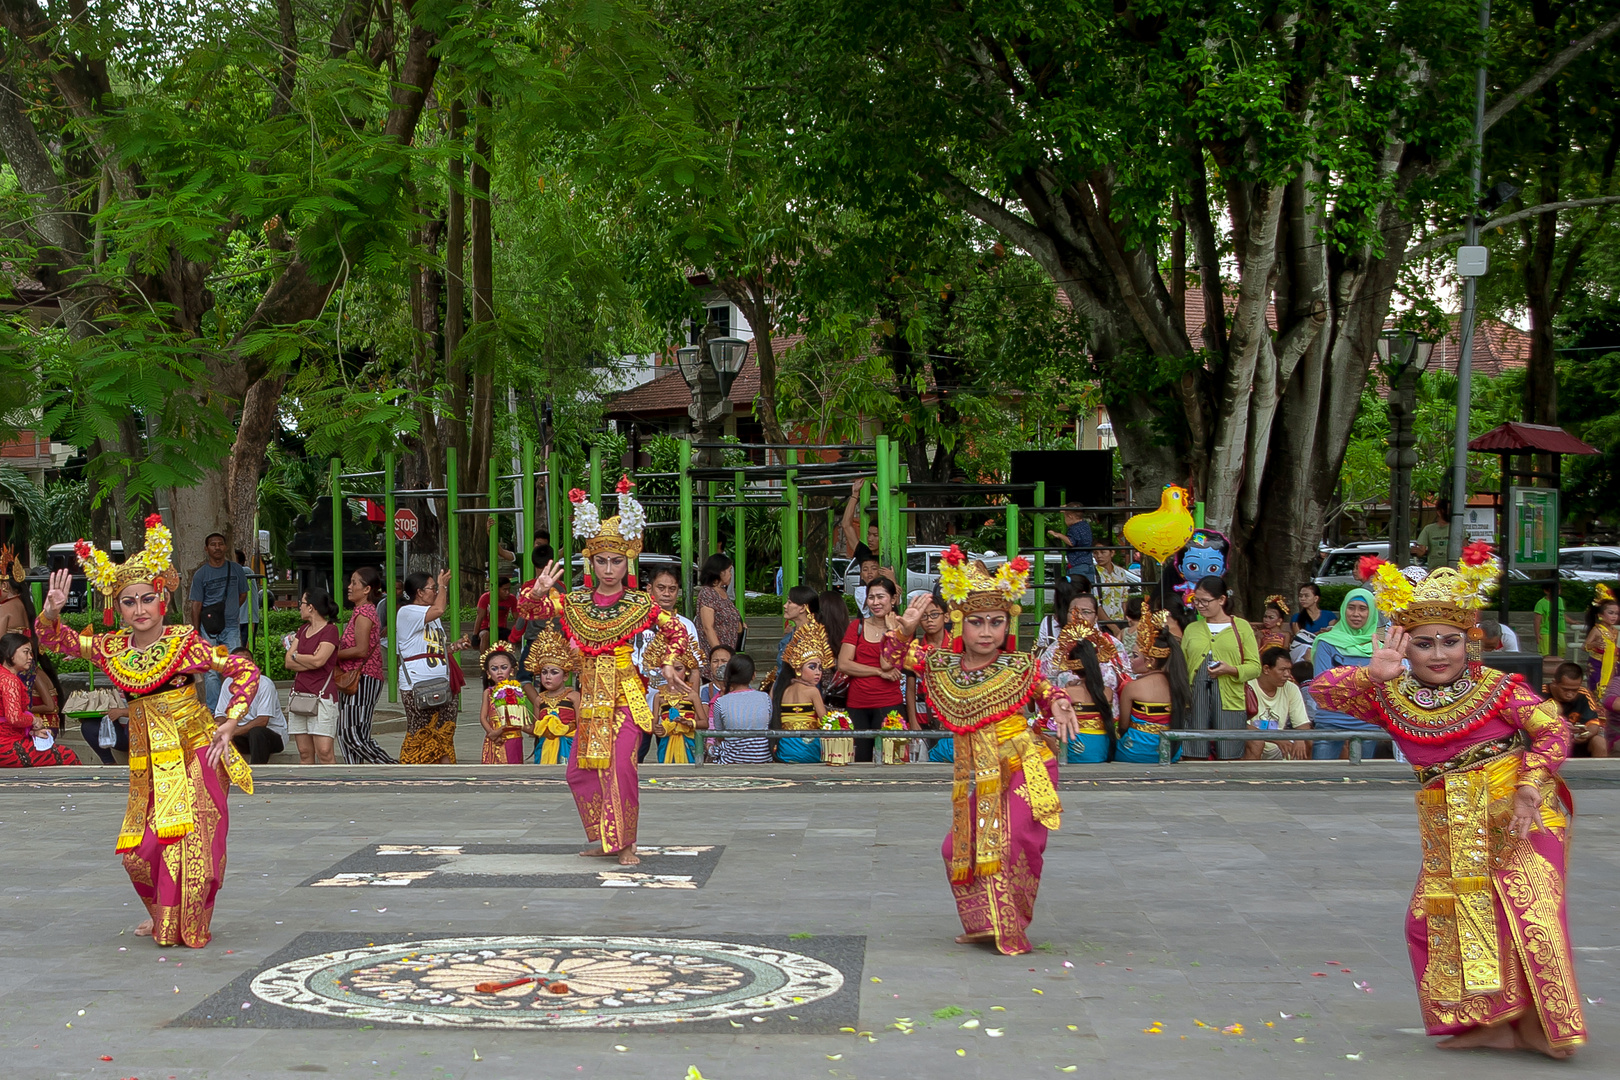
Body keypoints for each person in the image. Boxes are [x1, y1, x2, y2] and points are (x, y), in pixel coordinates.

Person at [1312, 550, 1585, 1057]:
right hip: (1451, 818)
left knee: (1529, 911)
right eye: (1424, 643)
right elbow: (1324, 692)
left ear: (1469, 641)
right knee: (1434, 921)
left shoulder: (1499, 688)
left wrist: (1530, 782)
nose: (1439, 653)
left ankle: (1544, 1028)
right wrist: (1373, 674)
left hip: (1520, 807)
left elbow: (1553, 728)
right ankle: (1490, 1021)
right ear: (1404, 647)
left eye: (1450, 641)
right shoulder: (1388, 691)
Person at [35, 516, 257, 947]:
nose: (139, 609)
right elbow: (55, 640)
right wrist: (51, 611)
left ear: (163, 600)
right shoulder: (112, 647)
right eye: (128, 602)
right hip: (149, 764)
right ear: (118, 608)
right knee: (139, 853)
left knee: (188, 845)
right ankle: (162, 914)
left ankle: (184, 924)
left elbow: (243, 668)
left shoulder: (183, 642)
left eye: (147, 599)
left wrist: (230, 721)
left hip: (195, 753)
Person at [883, 548, 1079, 956]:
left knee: (1010, 843)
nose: (986, 631)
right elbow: (890, 660)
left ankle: (1012, 926)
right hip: (987, 774)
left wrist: (1058, 701)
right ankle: (984, 924)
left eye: (996, 621)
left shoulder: (1020, 666)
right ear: (960, 622)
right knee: (956, 849)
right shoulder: (942, 664)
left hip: (1026, 764)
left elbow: (1046, 692)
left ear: (1008, 623)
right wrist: (903, 631)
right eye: (976, 622)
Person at [516, 479, 689, 865]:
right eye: (601, 561)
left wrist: (667, 660)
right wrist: (538, 591)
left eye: (616, 561)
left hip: (625, 697)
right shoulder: (575, 602)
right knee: (578, 771)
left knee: (621, 768)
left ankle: (626, 842)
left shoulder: (640, 603)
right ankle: (604, 836)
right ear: (590, 562)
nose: (608, 569)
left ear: (627, 562)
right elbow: (528, 612)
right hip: (591, 696)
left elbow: (676, 629)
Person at [1179, 576, 1261, 760]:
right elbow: (1182, 666)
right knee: (1193, 752)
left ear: (1222, 600)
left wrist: (1231, 670)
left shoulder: (1241, 627)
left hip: (1230, 699)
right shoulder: (1192, 629)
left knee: (1229, 754)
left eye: (1205, 601)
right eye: (1196, 600)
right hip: (1194, 700)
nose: (1199, 605)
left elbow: (1255, 667)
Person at [397, 569, 463, 765]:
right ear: (419, 592)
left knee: (444, 732)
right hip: (418, 683)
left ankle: (445, 773)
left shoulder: (432, 617)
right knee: (421, 732)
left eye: (436, 588)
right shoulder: (407, 612)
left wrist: (454, 647)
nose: (435, 592)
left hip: (441, 681)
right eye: (432, 588)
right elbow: (440, 609)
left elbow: (431, 648)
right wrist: (443, 585)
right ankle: (415, 771)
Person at [1114, 603, 1191, 764]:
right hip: (1171, 752)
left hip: (1133, 752)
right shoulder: (1179, 682)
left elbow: (1123, 726)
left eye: (1135, 655)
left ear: (1150, 661)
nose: (1130, 660)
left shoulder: (1132, 687)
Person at [1309, 588, 1380, 760]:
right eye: (1351, 607)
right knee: (1321, 779)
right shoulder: (1326, 642)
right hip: (1331, 719)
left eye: (1363, 609)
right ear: (1343, 610)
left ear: (1371, 612)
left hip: (1368, 722)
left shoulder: (1379, 646)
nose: (1356, 614)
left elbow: (1381, 687)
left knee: (1364, 781)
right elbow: (1323, 684)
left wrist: (1342, 677)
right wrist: (1365, 679)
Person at [333, 567, 395, 764]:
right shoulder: (359, 612)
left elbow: (361, 650)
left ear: (367, 589)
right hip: (355, 678)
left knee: (352, 733)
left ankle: (389, 766)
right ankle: (355, 772)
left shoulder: (365, 612)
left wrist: (330, 655)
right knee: (346, 733)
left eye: (354, 583)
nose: (349, 587)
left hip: (364, 678)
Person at [838, 576, 903, 761]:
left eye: (881, 597)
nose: (875, 602)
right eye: (871, 597)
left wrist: (890, 631)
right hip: (857, 703)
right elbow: (843, 664)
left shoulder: (902, 629)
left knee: (890, 760)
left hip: (889, 702)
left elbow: (887, 663)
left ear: (893, 599)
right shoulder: (856, 626)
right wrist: (878, 672)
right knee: (859, 759)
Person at [0, 632, 80, 766]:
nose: (30, 657)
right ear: (10, 653)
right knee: (68, 755)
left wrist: (32, 731)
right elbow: (14, 718)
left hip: (8, 740)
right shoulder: (9, 680)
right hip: (6, 745)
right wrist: (34, 720)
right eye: (26, 652)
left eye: (31, 653)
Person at [188, 531, 249, 707]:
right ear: (207, 549)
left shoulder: (236, 569)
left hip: (231, 626)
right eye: (213, 544)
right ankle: (214, 710)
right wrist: (197, 632)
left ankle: (235, 706)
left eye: (220, 544)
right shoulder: (201, 574)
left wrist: (229, 611)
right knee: (212, 671)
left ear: (226, 547)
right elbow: (196, 605)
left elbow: (243, 594)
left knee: (234, 666)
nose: (217, 547)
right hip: (209, 628)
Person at [283, 589, 341, 765]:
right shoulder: (302, 630)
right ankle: (306, 786)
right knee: (304, 752)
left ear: (311, 607)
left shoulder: (330, 631)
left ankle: (332, 786)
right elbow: (288, 662)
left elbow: (319, 661)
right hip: (300, 695)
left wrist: (297, 656)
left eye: (301, 603)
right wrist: (303, 659)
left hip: (322, 696)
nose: (299, 607)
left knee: (324, 751)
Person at [1052, 620, 1117, 763]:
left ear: (1073, 668)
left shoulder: (1067, 692)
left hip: (1077, 751)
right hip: (1103, 749)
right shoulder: (1107, 692)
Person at [905, 592, 957, 763]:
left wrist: (950, 715)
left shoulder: (956, 649)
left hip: (950, 716)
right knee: (923, 763)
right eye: (924, 616)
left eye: (935, 614)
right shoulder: (915, 649)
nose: (929, 620)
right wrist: (912, 721)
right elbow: (910, 688)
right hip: (922, 713)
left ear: (946, 617)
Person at [218, 645, 286, 765]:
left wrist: (234, 731)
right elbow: (220, 715)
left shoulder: (265, 684)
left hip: (271, 736)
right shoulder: (227, 684)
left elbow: (262, 721)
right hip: (241, 735)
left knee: (257, 732)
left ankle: (258, 774)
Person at [644, 635, 706, 764]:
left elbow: (705, 723)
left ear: (687, 671)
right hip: (666, 743)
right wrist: (659, 729)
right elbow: (653, 725)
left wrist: (690, 723)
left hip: (689, 741)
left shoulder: (692, 695)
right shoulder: (659, 696)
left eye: (678, 669)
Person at [778, 622, 833, 763]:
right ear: (798, 669)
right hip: (807, 751)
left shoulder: (783, 689)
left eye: (820, 668)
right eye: (812, 667)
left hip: (784, 750)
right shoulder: (813, 691)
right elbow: (825, 721)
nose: (817, 673)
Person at [1244, 646, 1310, 760]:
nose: (1287, 674)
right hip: (1253, 742)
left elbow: (1302, 723)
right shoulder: (1247, 686)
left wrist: (1300, 739)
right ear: (1266, 669)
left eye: (1289, 670)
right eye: (1282, 670)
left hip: (1279, 745)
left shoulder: (1291, 688)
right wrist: (1276, 738)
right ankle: (1249, 777)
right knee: (1256, 743)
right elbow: (1241, 725)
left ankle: (1304, 777)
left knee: (1308, 742)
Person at [709, 654, 772, 764]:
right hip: (762, 759)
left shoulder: (721, 701)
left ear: (727, 676)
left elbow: (719, 735)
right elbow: (768, 723)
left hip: (730, 761)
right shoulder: (765, 698)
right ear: (753, 675)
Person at [527, 630, 578, 765]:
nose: (548, 676)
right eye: (544, 672)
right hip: (544, 748)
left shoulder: (573, 697)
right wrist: (515, 723)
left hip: (570, 747)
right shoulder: (539, 700)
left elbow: (582, 726)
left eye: (554, 672)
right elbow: (535, 730)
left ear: (566, 676)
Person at [478, 643, 530, 764]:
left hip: (512, 736)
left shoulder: (516, 691)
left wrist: (499, 731)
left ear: (511, 670)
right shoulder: (488, 692)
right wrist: (492, 733)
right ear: (488, 673)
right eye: (494, 669)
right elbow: (482, 717)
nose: (499, 672)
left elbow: (517, 718)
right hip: (493, 737)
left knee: (512, 770)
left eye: (504, 667)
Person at [1545, 662, 1608, 758]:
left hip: (1576, 742)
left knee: (1600, 741)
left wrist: (1586, 734)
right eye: (1565, 689)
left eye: (1574, 690)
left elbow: (1594, 723)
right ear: (1554, 683)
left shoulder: (1583, 693)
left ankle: (1599, 772)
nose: (1570, 694)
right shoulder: (1539, 692)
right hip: (1548, 741)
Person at [696, 553, 742, 670]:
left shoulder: (723, 593)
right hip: (715, 657)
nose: (731, 575)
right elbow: (708, 627)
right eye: (729, 571)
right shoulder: (708, 593)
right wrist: (719, 655)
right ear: (720, 572)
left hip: (728, 653)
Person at [1582, 585, 1618, 700]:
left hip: (1612, 665)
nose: (1614, 616)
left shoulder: (1615, 631)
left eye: (1616, 614)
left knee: (1613, 690)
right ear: (1600, 615)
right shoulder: (1597, 630)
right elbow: (1585, 646)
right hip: (1597, 665)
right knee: (1597, 692)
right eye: (1611, 613)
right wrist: (1595, 645)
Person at [1290, 583, 1336, 662]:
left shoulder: (1329, 616)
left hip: (1323, 647)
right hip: (1302, 650)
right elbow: (1300, 639)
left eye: (1306, 596)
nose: (1302, 599)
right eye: (1301, 596)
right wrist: (1318, 633)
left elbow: (1332, 635)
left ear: (1316, 598)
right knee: (1308, 650)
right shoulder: (1296, 618)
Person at [1047, 507, 1095, 583]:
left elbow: (1071, 542)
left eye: (1065, 517)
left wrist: (1058, 535)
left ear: (1070, 516)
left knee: (1076, 587)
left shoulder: (1073, 528)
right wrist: (1068, 507)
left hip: (1077, 563)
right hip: (1088, 563)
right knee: (1088, 586)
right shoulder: (1085, 525)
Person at [841, 478, 882, 565]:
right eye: (869, 534)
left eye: (875, 535)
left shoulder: (891, 554)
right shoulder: (864, 553)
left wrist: (883, 499)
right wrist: (855, 494)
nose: (870, 539)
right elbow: (846, 525)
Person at [1092, 546, 1135, 627]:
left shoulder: (1120, 572)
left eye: (1103, 552)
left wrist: (1127, 622)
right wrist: (1113, 628)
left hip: (1121, 620)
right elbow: (1096, 603)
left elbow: (1124, 599)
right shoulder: (1093, 573)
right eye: (1095, 553)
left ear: (1112, 553)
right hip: (1101, 623)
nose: (1099, 556)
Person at [474, 575, 518, 654]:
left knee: (512, 636)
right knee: (485, 635)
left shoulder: (512, 599)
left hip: (502, 628)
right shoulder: (485, 598)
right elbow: (480, 617)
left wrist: (519, 633)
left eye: (509, 589)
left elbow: (517, 617)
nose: (507, 592)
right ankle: (485, 660)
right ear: (497, 589)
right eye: (504, 590)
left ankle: (510, 660)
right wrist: (475, 635)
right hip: (486, 628)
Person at [1411, 498, 1453, 570]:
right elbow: (1421, 550)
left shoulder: (1457, 528)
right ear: (1439, 512)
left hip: (1454, 571)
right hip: (1434, 571)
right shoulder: (1428, 529)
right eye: (1447, 510)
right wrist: (1416, 551)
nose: (1449, 513)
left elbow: (1465, 548)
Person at [1533, 582, 1567, 658]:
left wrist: (1572, 621)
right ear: (1546, 591)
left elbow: (1562, 613)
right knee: (1546, 653)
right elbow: (1537, 620)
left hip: (1559, 631)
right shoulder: (1541, 603)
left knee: (1561, 650)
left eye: (1559, 589)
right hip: (1546, 632)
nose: (1558, 591)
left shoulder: (1560, 600)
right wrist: (1537, 634)